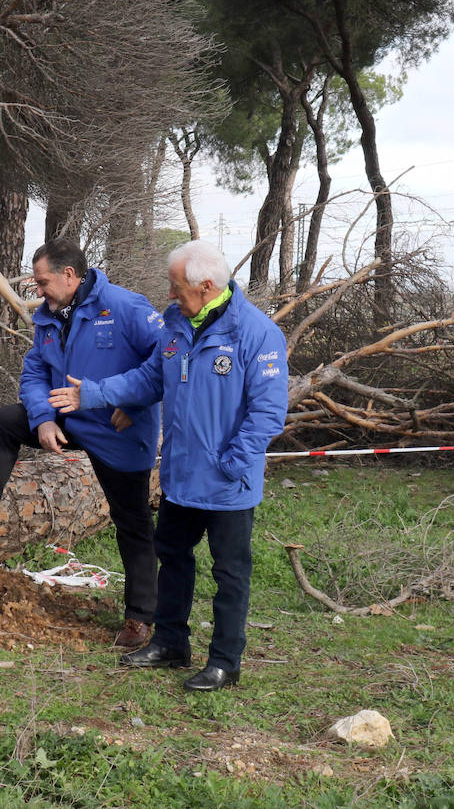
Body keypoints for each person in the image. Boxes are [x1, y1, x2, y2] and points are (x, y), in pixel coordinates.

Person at [49, 240, 288, 691]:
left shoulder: (255, 333)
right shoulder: (176, 323)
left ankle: (224, 662)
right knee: (173, 558)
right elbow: (150, 378)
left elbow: (268, 413)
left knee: (229, 573)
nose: (171, 294)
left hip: (226, 484)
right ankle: (171, 642)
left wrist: (231, 463)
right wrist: (94, 394)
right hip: (180, 477)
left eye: (177, 287)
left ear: (206, 285)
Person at [0, 239, 162, 649]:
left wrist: (135, 403)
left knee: (133, 523)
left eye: (42, 281)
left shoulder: (126, 307)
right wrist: (44, 420)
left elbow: (167, 359)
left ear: (70, 275)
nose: (37, 290)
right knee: (3, 422)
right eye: (35, 282)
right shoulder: (49, 317)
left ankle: (141, 618)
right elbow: (34, 373)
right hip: (67, 417)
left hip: (118, 430)